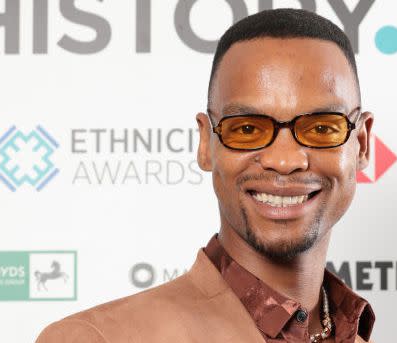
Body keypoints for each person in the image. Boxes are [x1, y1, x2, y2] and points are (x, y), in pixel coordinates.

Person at [36, 8, 375, 343]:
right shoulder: (98, 338)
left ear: (361, 144)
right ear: (205, 143)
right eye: (246, 129)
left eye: (320, 128)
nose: (284, 160)